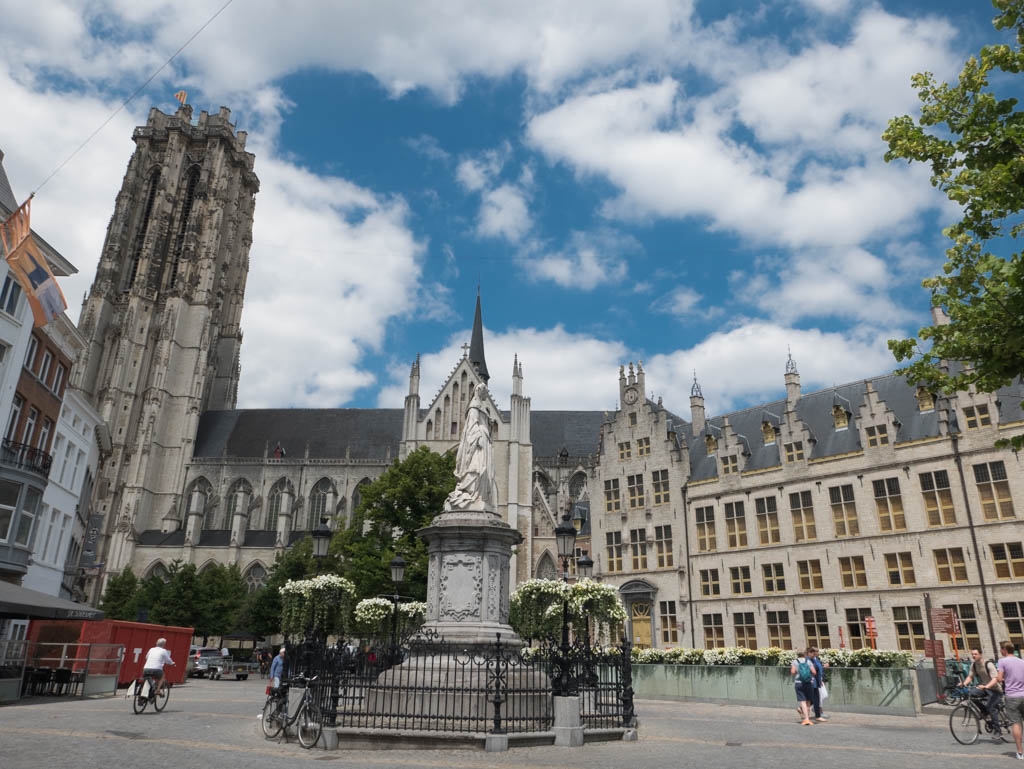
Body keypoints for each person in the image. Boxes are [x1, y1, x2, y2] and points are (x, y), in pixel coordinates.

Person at [443, 383, 499, 512]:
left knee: (483, 469)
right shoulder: (474, 406)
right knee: (477, 468)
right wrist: (478, 436)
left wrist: (489, 425)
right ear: (479, 391)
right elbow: (472, 425)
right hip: (478, 441)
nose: (486, 395)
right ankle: (472, 494)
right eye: (485, 392)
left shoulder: (479, 407)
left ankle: (478, 495)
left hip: (484, 441)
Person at [961, 646, 1003, 736]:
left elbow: (995, 679)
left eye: (975, 654)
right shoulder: (974, 665)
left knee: (991, 707)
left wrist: (986, 686)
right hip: (984, 688)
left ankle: (998, 731)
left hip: (995, 690)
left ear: (980, 654)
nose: (973, 656)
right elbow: (970, 676)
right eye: (972, 654)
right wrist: (964, 683)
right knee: (969, 693)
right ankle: (984, 711)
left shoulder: (988, 664)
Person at [996, 640, 1024, 760]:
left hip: (1012, 696)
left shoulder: (1002, 661)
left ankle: (1020, 752)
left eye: (1001, 649)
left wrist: (1005, 678)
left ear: (1004, 650)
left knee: (1016, 724)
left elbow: (999, 678)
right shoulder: (1022, 661)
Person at [791, 648, 816, 726]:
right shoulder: (808, 661)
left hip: (799, 683)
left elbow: (792, 672)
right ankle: (808, 719)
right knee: (808, 701)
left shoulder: (795, 662)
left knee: (802, 701)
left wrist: (797, 672)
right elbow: (814, 672)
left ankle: (805, 719)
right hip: (808, 683)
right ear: (805, 654)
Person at [808, 647, 829, 722]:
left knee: (816, 699)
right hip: (813, 682)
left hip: (816, 681)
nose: (815, 654)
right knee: (815, 699)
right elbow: (814, 671)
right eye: (814, 652)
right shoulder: (810, 660)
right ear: (809, 652)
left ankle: (816, 713)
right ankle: (817, 714)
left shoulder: (814, 659)